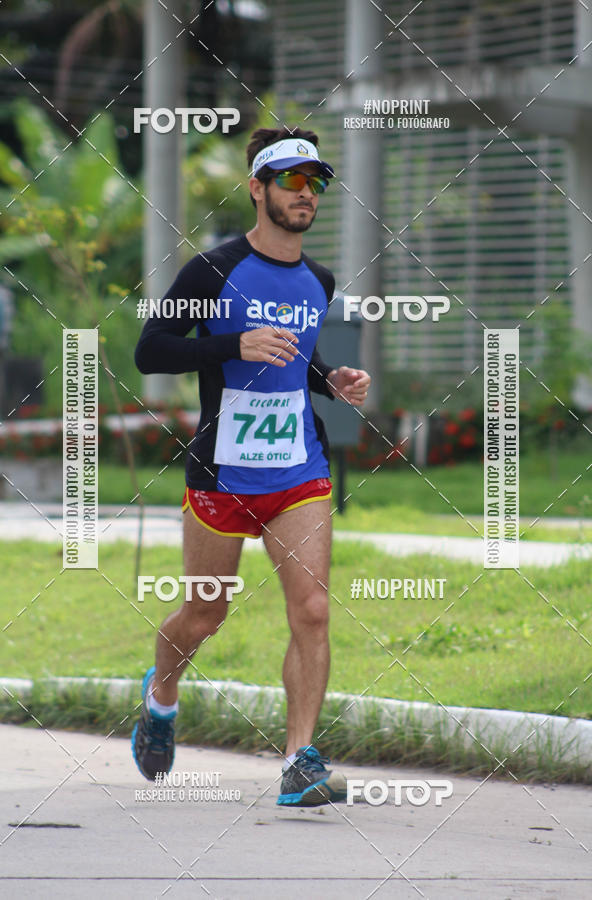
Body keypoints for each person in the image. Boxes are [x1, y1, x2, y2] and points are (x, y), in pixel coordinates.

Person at [132, 126, 371, 807]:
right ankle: (161, 697)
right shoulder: (211, 271)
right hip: (222, 474)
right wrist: (232, 342)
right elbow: (152, 350)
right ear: (257, 189)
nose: (305, 193)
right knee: (205, 615)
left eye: (315, 182)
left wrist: (332, 380)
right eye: (291, 180)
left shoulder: (318, 280)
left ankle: (300, 763)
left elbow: (295, 361)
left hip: (297, 470)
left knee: (315, 610)